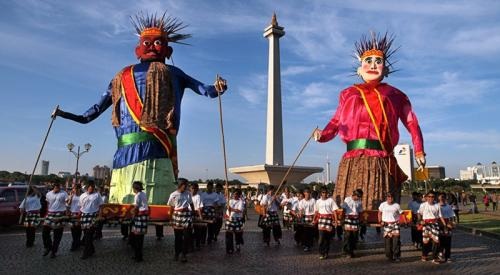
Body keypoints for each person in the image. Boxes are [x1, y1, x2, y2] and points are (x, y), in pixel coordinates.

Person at [51, 11, 227, 207]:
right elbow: (90, 114)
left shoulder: (174, 73)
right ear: (138, 50)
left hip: (160, 146)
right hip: (125, 151)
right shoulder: (121, 77)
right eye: (147, 43)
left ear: (168, 51)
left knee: (158, 186)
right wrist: (64, 114)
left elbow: (206, 90)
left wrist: (218, 87)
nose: (152, 46)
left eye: (158, 42)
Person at [314, 32, 426, 211]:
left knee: (378, 205)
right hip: (352, 159)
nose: (373, 65)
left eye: (378, 61)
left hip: (379, 157)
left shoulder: (396, 95)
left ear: (386, 70)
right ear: (359, 69)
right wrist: (322, 135)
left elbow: (412, 123)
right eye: (368, 61)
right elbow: (336, 121)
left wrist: (419, 150)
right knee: (348, 206)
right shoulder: (348, 93)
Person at [168, 178, 194, 262]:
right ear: (180, 185)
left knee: (186, 237)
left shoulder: (188, 194)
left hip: (186, 216)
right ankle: (176, 253)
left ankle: (184, 254)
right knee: (178, 237)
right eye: (184, 185)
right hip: (177, 216)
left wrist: (193, 213)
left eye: (186, 185)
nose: (186, 187)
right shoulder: (173, 195)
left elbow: (191, 204)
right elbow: (171, 208)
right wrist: (170, 219)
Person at [418, 192, 446, 264]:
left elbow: (440, 216)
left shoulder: (437, 205)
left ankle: (435, 257)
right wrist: (420, 220)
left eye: (432, 197)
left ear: (434, 198)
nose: (431, 198)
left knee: (436, 241)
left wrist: (445, 225)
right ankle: (424, 255)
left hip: (434, 224)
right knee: (425, 241)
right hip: (426, 224)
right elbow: (419, 213)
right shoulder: (423, 205)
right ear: (426, 197)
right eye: (429, 197)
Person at [42, 182, 68, 258]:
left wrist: (70, 199)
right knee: (45, 232)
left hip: (60, 214)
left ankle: (54, 251)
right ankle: (48, 246)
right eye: (56, 186)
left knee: (57, 235)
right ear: (53, 186)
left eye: (58, 186)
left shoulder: (64, 193)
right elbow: (47, 205)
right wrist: (46, 214)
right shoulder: (48, 194)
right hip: (50, 214)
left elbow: (67, 203)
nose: (57, 188)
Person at [79, 181, 104, 259]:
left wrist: (100, 215)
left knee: (88, 235)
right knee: (86, 234)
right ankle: (91, 250)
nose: (91, 189)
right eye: (90, 188)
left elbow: (101, 206)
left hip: (93, 215)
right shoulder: (82, 195)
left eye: (93, 188)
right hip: (84, 215)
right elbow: (80, 206)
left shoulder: (97, 195)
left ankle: (86, 253)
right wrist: (79, 216)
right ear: (87, 188)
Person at [378, 192, 406, 262]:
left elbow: (402, 213)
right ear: (386, 198)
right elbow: (379, 213)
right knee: (387, 242)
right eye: (388, 197)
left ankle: (396, 256)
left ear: (393, 198)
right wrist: (380, 221)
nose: (390, 198)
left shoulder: (396, 205)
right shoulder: (383, 205)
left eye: (391, 197)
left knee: (396, 241)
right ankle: (389, 256)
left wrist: (404, 221)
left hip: (395, 225)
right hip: (386, 225)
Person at [314, 187, 338, 259]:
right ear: (321, 193)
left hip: (329, 220)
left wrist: (336, 221)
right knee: (321, 239)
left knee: (327, 239)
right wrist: (313, 220)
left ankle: (326, 253)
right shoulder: (318, 201)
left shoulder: (331, 200)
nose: (324, 194)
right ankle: (321, 253)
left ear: (327, 193)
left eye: (326, 192)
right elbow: (316, 212)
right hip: (321, 220)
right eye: (323, 192)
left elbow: (334, 211)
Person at [341, 190, 363, 258]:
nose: (359, 198)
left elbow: (360, 212)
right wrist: (342, 219)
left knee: (354, 237)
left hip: (355, 220)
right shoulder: (347, 199)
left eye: (360, 196)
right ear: (354, 194)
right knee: (347, 236)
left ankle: (351, 251)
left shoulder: (359, 202)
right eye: (358, 196)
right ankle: (346, 251)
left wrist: (360, 220)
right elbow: (344, 210)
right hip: (348, 219)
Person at [131, 181, 149, 262]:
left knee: (137, 238)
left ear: (135, 188)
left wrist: (132, 215)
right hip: (144, 217)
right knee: (141, 238)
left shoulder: (137, 195)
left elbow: (136, 207)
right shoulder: (143, 194)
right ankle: (139, 255)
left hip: (139, 217)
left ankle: (137, 256)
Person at [225, 189, 245, 254]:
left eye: (236, 194)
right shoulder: (230, 201)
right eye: (234, 194)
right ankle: (229, 248)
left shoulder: (241, 202)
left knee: (238, 234)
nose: (235, 195)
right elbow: (227, 209)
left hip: (237, 219)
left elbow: (239, 210)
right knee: (228, 234)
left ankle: (238, 245)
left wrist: (232, 209)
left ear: (239, 195)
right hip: (230, 219)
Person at [438, 193, 456, 263]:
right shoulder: (437, 206)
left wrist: (452, 224)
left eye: (443, 198)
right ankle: (440, 253)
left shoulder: (448, 206)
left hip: (448, 224)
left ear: (445, 199)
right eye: (440, 198)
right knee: (440, 240)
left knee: (448, 241)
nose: (441, 199)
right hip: (439, 225)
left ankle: (448, 256)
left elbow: (452, 216)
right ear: (438, 199)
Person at [66, 184, 82, 251]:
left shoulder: (82, 196)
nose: (75, 190)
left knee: (78, 230)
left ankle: (75, 244)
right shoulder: (71, 196)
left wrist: (80, 213)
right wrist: (71, 197)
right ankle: (76, 242)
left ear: (79, 189)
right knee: (73, 230)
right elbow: (68, 204)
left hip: (79, 214)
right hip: (72, 213)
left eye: (76, 189)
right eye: (74, 189)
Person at [190, 182, 204, 250]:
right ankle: (191, 245)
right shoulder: (187, 196)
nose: (193, 190)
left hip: (196, 214)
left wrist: (200, 216)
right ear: (190, 189)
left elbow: (200, 208)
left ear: (197, 189)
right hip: (188, 215)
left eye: (195, 189)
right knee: (189, 231)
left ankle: (198, 244)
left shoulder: (198, 196)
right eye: (192, 188)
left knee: (197, 231)